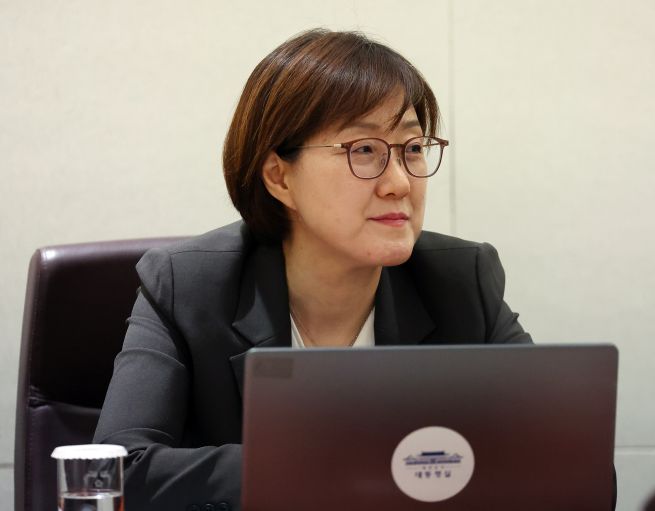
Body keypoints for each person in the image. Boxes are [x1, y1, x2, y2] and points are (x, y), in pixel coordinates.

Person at [94, 28, 532, 510]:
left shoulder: (462, 280)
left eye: (411, 148)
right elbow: (115, 471)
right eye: (364, 149)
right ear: (279, 177)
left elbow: (562, 450)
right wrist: (328, 465)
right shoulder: (187, 287)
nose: (400, 183)